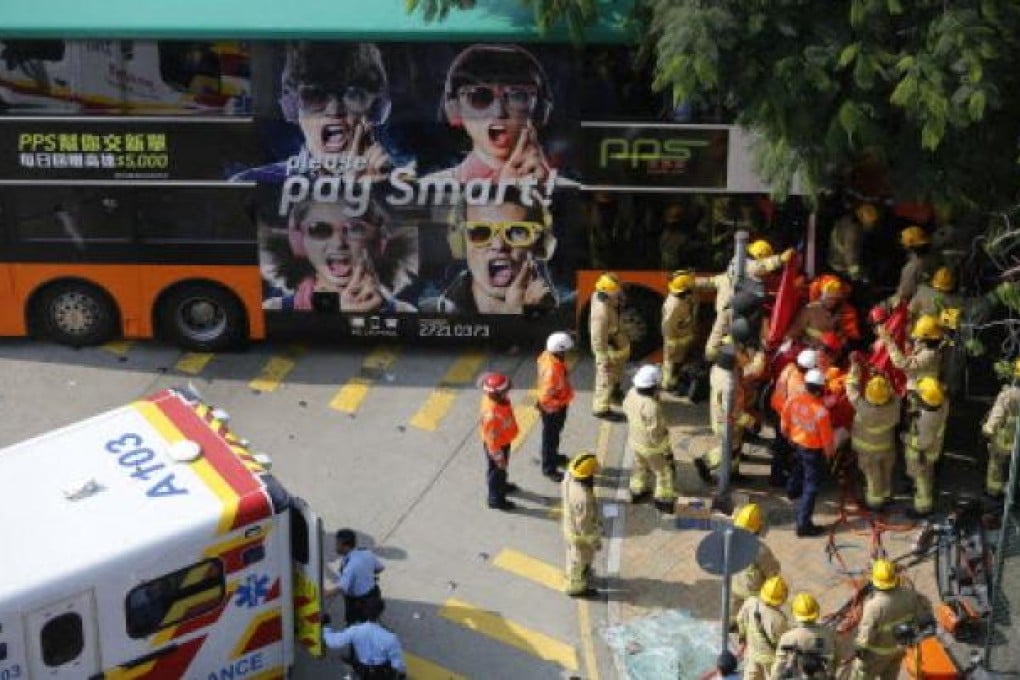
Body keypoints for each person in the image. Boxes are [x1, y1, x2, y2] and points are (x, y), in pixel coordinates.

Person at [234, 42, 396, 183]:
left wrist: (378, 189)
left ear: (378, 109)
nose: (334, 110)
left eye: (353, 94)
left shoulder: (404, 185)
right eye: (315, 95)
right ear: (292, 107)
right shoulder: (255, 182)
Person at [262, 197, 418, 313]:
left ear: (379, 242)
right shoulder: (273, 309)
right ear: (298, 243)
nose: (338, 243)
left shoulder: (404, 312)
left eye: (355, 229)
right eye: (319, 229)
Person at [433, 43, 552, 184]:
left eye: (517, 96)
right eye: (479, 97)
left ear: (539, 111)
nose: (498, 112)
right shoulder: (427, 190)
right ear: (455, 109)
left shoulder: (574, 194)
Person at [430, 191, 557, 315]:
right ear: (460, 244)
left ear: (540, 245)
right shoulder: (424, 312)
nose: (499, 245)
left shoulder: (566, 314)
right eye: (481, 231)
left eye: (517, 231)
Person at [851, 559, 932, 680]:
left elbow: (866, 636)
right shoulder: (910, 595)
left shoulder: (874, 606)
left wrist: (858, 648)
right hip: (898, 650)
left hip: (876, 654)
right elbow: (924, 616)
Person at [781, 368, 835, 537]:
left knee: (798, 467)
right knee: (811, 486)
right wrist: (830, 456)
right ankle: (803, 524)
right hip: (813, 450)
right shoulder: (821, 412)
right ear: (820, 389)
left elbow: (784, 422)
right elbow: (827, 441)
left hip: (797, 443)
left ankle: (791, 490)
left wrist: (788, 436)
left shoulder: (793, 400)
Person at [695, 343, 757, 484]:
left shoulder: (718, 370)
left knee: (736, 446)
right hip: (727, 421)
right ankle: (706, 461)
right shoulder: (729, 384)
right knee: (729, 448)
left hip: (722, 417)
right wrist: (751, 422)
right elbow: (732, 409)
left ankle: (732, 473)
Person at [845, 359, 901, 511]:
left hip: (867, 452)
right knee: (886, 473)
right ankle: (888, 497)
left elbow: (851, 389)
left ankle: (875, 504)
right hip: (887, 448)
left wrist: (854, 368)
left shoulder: (864, 408)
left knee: (873, 477)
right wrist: (883, 380)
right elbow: (895, 394)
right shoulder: (895, 407)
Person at [622, 364, 676, 513]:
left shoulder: (631, 393)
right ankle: (663, 500)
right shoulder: (652, 406)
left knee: (640, 467)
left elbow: (626, 409)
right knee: (663, 472)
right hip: (652, 448)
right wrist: (667, 451)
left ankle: (637, 491)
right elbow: (657, 433)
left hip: (635, 441)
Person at [324, 597, 407, 679]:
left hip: (363, 672)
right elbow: (398, 664)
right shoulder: (390, 637)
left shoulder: (355, 630)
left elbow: (333, 642)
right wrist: (402, 674)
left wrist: (324, 627)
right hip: (383, 673)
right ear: (381, 613)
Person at [769, 349, 817, 486]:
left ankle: (777, 474)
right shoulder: (801, 385)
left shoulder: (789, 367)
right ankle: (777, 478)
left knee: (780, 445)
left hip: (776, 407)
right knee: (783, 447)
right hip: (784, 415)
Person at [729, 503, 782, 623]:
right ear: (758, 527)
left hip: (734, 586)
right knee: (751, 617)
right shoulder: (761, 551)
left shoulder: (730, 539)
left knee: (733, 610)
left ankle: (731, 625)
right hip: (751, 593)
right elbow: (772, 573)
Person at [904, 377, 948, 518]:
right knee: (927, 476)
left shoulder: (925, 421)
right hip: (933, 450)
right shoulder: (942, 404)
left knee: (923, 481)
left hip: (923, 454)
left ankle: (922, 509)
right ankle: (922, 495)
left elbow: (922, 443)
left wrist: (906, 438)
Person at [589, 272, 630, 417]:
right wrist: (603, 358)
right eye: (616, 292)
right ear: (607, 291)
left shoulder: (603, 297)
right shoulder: (601, 313)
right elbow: (598, 337)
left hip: (616, 346)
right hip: (609, 349)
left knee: (616, 372)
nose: (618, 293)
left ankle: (614, 393)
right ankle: (601, 409)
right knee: (605, 378)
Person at [562, 452, 602, 597]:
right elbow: (585, 526)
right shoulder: (583, 499)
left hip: (570, 525)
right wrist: (595, 542)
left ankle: (581, 574)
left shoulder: (569, 477)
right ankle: (576, 587)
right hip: (579, 536)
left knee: (574, 556)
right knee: (580, 559)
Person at [536, 331, 575, 482]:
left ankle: (553, 456)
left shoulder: (547, 356)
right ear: (559, 351)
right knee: (550, 438)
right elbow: (546, 397)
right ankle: (549, 467)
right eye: (565, 351)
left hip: (554, 405)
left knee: (553, 435)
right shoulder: (553, 370)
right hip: (553, 408)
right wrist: (559, 404)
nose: (567, 353)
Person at [478, 372, 519, 511]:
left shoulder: (495, 399)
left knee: (500, 471)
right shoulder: (492, 415)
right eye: (505, 391)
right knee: (497, 470)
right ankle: (495, 499)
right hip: (497, 446)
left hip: (503, 440)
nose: (508, 392)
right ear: (497, 394)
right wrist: (499, 458)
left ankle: (502, 485)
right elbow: (492, 442)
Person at [736, 575, 790, 680]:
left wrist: (742, 640)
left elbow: (740, 620)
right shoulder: (779, 619)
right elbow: (785, 644)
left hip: (752, 652)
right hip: (770, 660)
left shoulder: (750, 602)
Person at [772, 592, 837, 680]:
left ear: (794, 613)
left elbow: (780, 664)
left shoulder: (788, 637)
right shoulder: (828, 633)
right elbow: (835, 659)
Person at [981, 358, 1020, 502]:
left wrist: (987, 429)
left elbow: (997, 416)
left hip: (1005, 439)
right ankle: (1013, 493)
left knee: (996, 464)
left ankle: (993, 492)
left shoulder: (1008, 395)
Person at [877, 314, 944, 392]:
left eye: (920, 337)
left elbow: (901, 363)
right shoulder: (929, 347)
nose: (917, 339)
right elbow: (916, 343)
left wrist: (889, 343)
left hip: (922, 393)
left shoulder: (930, 354)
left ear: (926, 339)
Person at [332, 528, 385, 626]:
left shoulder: (351, 565)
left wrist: (326, 593)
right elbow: (380, 568)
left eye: (337, 544)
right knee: (370, 623)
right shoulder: (367, 553)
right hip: (372, 595)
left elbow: (341, 587)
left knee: (354, 625)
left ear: (345, 546)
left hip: (357, 602)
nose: (335, 546)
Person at [661, 269, 698, 393]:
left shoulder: (682, 298)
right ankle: (668, 385)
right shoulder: (673, 306)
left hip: (681, 340)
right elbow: (668, 329)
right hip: (675, 343)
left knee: (677, 363)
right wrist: (672, 348)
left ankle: (673, 381)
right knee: (671, 364)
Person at [828, 202, 878, 283]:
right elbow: (851, 255)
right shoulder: (854, 231)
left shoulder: (847, 220)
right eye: (872, 222)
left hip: (836, 263)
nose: (872, 226)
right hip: (842, 268)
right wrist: (856, 277)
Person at [892, 225, 935, 306]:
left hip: (917, 307)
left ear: (908, 247)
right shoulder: (935, 260)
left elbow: (905, 294)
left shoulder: (912, 267)